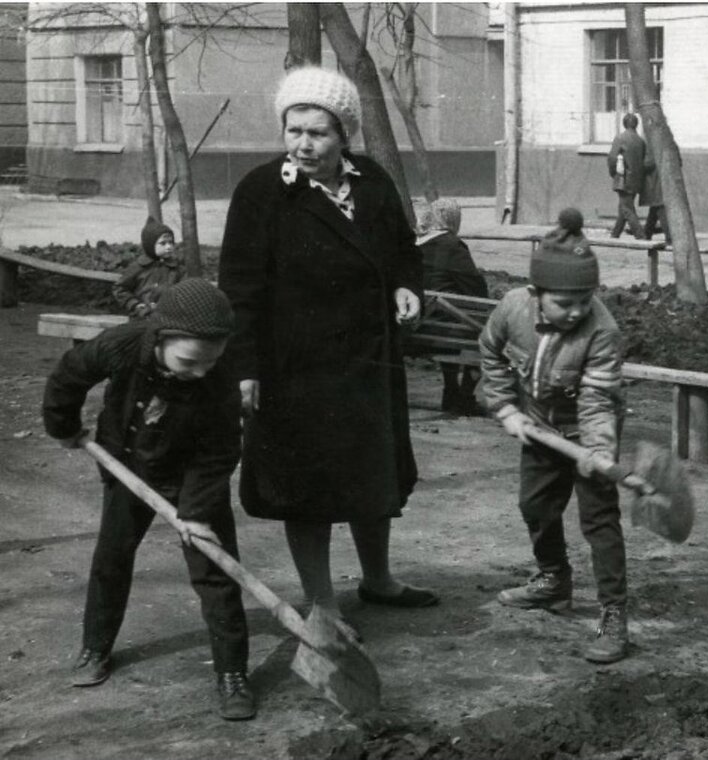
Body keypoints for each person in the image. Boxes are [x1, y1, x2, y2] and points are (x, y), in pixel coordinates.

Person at [217, 66, 435, 636]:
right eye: (294, 130)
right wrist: (244, 369)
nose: (303, 144)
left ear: (345, 135)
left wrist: (406, 286)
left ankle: (378, 579)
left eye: (318, 132)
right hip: (296, 370)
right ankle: (323, 604)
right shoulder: (263, 192)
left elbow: (404, 250)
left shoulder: (372, 182)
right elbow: (239, 289)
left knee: (373, 474)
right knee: (307, 489)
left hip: (368, 361)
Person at [42, 279, 256, 721]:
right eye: (189, 361)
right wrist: (63, 426)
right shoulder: (121, 345)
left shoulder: (220, 378)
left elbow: (220, 450)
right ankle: (95, 648)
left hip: (193, 474)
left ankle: (232, 672)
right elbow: (69, 374)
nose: (201, 372)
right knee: (111, 559)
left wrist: (196, 514)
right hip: (130, 464)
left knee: (215, 572)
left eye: (211, 361)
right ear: (160, 339)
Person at [479, 208, 630, 664]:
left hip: (587, 430)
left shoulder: (602, 332)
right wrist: (505, 407)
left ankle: (613, 614)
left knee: (599, 523)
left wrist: (597, 452)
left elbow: (598, 400)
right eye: (565, 303)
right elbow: (491, 353)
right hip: (538, 429)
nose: (577, 311)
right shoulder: (512, 308)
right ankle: (553, 579)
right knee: (536, 507)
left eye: (585, 299)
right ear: (536, 293)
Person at [417, 198, 488, 415]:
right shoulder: (453, 246)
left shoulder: (415, 245)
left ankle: (451, 390)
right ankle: (464, 396)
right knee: (484, 328)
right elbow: (477, 290)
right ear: (453, 219)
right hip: (446, 328)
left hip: (416, 326)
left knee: (451, 316)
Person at [111, 217, 184, 318]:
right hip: (142, 316)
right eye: (163, 243)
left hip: (168, 318)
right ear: (150, 245)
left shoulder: (177, 269)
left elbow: (184, 293)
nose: (169, 247)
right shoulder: (138, 267)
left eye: (171, 242)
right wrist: (135, 304)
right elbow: (120, 288)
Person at [607, 113, 651, 240]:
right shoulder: (641, 141)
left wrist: (613, 173)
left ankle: (640, 236)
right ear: (636, 124)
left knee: (627, 209)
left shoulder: (620, 138)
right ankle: (615, 234)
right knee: (624, 206)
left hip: (623, 179)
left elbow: (612, 158)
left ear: (624, 124)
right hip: (637, 180)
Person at [639, 163, 670, 244]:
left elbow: (647, 163)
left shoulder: (652, 155)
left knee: (659, 207)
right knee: (655, 209)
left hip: (654, 182)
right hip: (662, 181)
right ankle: (647, 234)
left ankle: (669, 237)